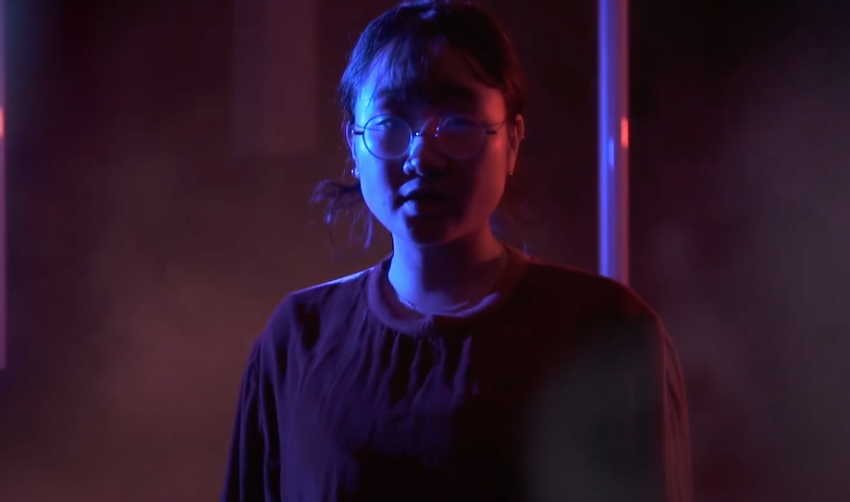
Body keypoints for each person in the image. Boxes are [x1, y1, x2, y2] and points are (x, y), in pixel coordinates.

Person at [220, 1, 692, 501]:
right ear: (353, 144)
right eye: (390, 123)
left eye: (459, 124)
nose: (423, 156)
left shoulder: (604, 331)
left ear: (512, 141)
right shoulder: (300, 340)